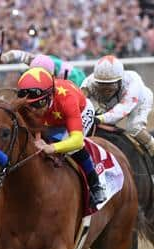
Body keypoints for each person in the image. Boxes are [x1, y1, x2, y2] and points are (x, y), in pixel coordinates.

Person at [16, 66, 106, 208]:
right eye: (29, 106)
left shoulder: (67, 100)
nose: (34, 110)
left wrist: (51, 147)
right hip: (52, 118)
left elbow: (76, 141)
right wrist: (38, 137)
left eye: (39, 104)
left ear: (50, 95)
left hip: (80, 111)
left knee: (69, 148)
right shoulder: (30, 103)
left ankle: (95, 185)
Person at [81, 55, 154, 178]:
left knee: (134, 128)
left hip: (138, 101)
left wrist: (100, 118)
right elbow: (79, 101)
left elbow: (121, 111)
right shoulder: (89, 83)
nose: (105, 91)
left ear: (120, 81)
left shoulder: (133, 84)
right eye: (101, 86)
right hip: (112, 103)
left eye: (110, 86)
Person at [1, 50, 86, 88]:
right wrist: (5, 58)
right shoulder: (36, 61)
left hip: (77, 80)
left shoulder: (73, 77)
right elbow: (18, 54)